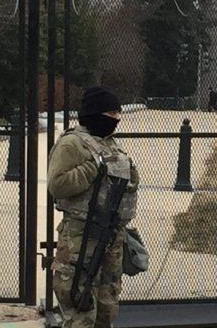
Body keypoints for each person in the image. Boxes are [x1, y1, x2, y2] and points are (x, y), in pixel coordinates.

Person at [48, 86, 139, 328]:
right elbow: (58, 185)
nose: (116, 119)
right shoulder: (72, 144)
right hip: (81, 235)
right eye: (111, 113)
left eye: (118, 114)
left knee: (107, 305)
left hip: (112, 235)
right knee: (80, 303)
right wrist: (92, 168)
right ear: (95, 114)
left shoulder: (111, 144)